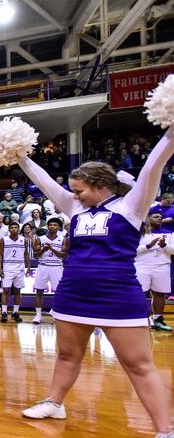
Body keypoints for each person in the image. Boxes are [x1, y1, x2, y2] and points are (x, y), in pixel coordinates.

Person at [17, 134, 172, 436]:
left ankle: (166, 428)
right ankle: (54, 402)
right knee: (66, 355)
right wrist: (20, 156)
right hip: (72, 293)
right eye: (73, 191)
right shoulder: (76, 209)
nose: (74, 196)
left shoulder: (132, 206)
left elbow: (152, 168)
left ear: (101, 185)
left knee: (138, 365)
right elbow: (45, 182)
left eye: (80, 190)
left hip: (118, 295)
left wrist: (170, 135)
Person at [134, 211, 174, 331]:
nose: (159, 219)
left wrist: (164, 246)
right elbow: (132, 251)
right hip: (141, 266)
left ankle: (158, 320)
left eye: (161, 218)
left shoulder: (170, 233)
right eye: (156, 217)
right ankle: (139, 319)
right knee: (140, 293)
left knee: (159, 294)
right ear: (148, 218)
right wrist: (148, 246)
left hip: (162, 266)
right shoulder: (139, 233)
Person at [32, 218, 68, 324]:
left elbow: (63, 255)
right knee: (39, 291)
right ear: (47, 226)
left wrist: (52, 249)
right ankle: (38, 315)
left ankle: (56, 315)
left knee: (58, 292)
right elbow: (35, 255)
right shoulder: (40, 239)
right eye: (50, 225)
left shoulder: (63, 239)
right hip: (43, 266)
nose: (52, 226)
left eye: (55, 225)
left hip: (57, 266)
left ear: (59, 227)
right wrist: (44, 249)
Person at [0, 222, 29, 323]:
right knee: (6, 290)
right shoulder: (4, 240)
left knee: (17, 291)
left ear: (19, 229)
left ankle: (15, 312)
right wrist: (0, 268)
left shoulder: (23, 240)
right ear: (9, 229)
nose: (14, 229)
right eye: (12, 227)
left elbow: (26, 253)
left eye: (16, 227)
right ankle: (4, 312)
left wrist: (28, 266)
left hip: (20, 267)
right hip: (8, 267)